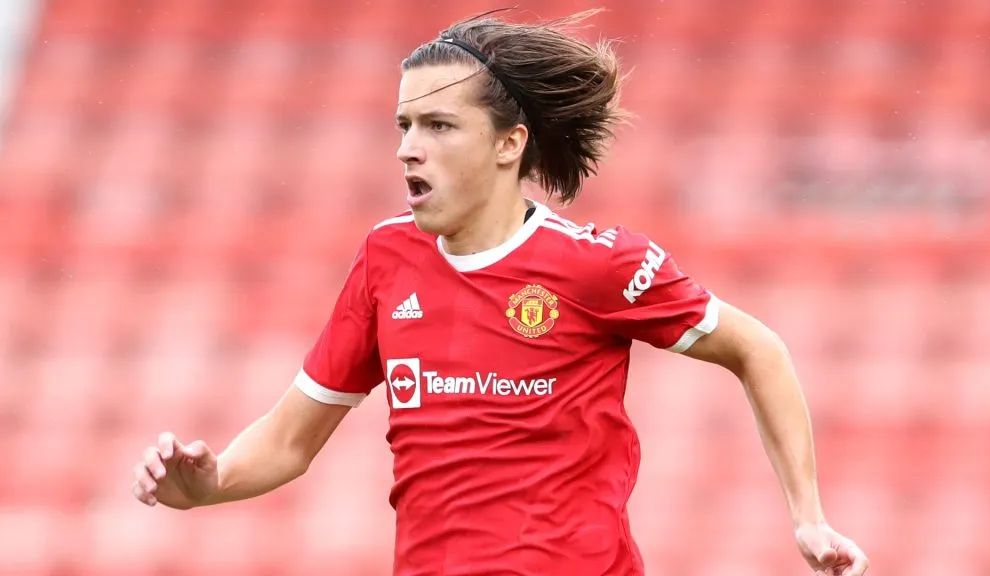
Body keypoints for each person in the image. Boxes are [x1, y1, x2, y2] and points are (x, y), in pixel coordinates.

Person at [132, 9, 869, 576]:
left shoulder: (597, 265)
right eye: (404, 125)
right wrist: (210, 482)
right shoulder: (387, 261)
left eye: (438, 125)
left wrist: (807, 515)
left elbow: (757, 349)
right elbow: (292, 439)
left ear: (508, 143)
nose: (407, 146)